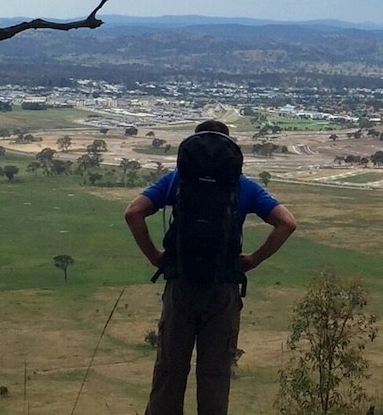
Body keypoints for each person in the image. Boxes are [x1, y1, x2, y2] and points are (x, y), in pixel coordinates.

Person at [124, 120, 298, 415]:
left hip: (181, 285)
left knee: (169, 371)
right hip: (223, 288)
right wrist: (253, 259)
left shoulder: (177, 180)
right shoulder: (242, 186)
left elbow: (133, 213)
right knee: (215, 376)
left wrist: (155, 255)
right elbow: (287, 223)